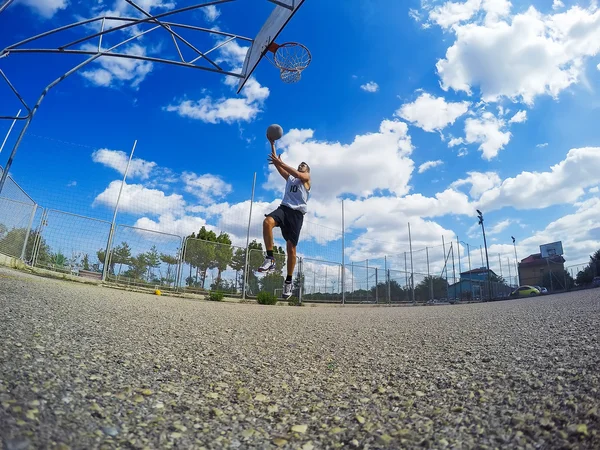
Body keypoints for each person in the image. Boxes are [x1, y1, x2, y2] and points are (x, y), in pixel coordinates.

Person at [259, 136, 311, 300]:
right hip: (284, 208)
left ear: (307, 170)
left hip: (296, 215)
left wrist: (281, 163)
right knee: (267, 222)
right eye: (299, 165)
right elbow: (277, 165)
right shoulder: (291, 179)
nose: (300, 166)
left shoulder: (306, 179)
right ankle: (270, 258)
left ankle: (288, 281)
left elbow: (291, 171)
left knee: (291, 249)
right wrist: (272, 144)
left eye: (303, 166)